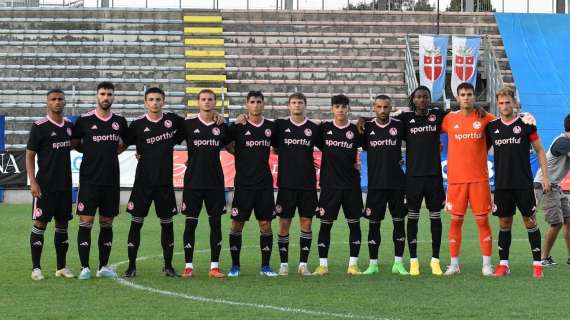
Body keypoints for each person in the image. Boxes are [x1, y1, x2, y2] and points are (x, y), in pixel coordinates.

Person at [486, 86, 548, 278]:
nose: (504, 106)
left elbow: (539, 150)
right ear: (498, 104)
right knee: (504, 222)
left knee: (530, 221)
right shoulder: (492, 128)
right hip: (502, 184)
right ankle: (504, 265)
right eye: (501, 103)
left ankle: (537, 264)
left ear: (514, 103)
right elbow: (481, 154)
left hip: (523, 183)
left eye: (508, 102)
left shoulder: (526, 124)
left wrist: (545, 176)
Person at [123, 87, 185, 278]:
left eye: (158, 99)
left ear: (163, 101)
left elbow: (193, 125)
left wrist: (215, 114)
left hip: (164, 184)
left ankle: (168, 266)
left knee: (167, 224)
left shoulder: (173, 120)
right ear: (145, 102)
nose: (155, 102)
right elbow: (121, 144)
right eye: (151, 99)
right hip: (142, 183)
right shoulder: (137, 125)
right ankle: (131, 266)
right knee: (136, 224)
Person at [71, 82, 128, 280]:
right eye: (102, 94)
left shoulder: (120, 121)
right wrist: (91, 152)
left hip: (111, 180)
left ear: (113, 97)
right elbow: (76, 143)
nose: (106, 97)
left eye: (109, 94)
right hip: (89, 180)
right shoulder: (84, 120)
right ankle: (84, 267)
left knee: (107, 222)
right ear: (97, 96)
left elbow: (124, 143)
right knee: (86, 221)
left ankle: (103, 266)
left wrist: (110, 152)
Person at [441, 82, 496, 276]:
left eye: (469, 94)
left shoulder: (486, 118)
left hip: (479, 179)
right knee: (455, 221)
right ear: (457, 98)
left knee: (482, 221)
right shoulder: (448, 119)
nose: (466, 97)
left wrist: (526, 118)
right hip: (456, 180)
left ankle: (487, 264)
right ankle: (454, 264)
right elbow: (426, 126)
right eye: (462, 94)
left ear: (474, 97)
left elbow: (505, 125)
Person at [225, 91, 278, 277]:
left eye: (259, 102)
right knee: (236, 224)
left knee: (265, 224)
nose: (256, 105)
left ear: (263, 105)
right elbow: (225, 142)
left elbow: (279, 147)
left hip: (264, 184)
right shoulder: (239, 126)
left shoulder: (271, 127)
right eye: (252, 102)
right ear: (247, 105)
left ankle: (265, 266)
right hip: (243, 184)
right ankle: (235, 266)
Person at [180, 89, 229, 278]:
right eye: (203, 99)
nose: (207, 102)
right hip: (193, 182)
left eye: (210, 99)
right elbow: (167, 138)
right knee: (190, 224)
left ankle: (214, 267)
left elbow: (235, 144)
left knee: (215, 224)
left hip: (215, 182)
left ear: (215, 102)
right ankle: (188, 266)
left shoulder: (222, 126)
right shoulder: (188, 124)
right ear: (197, 102)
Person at [312, 94, 364, 276]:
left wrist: (364, 119)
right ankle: (323, 265)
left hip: (351, 186)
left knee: (354, 225)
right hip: (330, 186)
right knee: (325, 225)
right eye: (337, 107)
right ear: (332, 109)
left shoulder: (356, 130)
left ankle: (353, 265)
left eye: (343, 107)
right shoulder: (324, 129)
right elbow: (305, 139)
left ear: (348, 108)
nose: (340, 110)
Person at [26, 89, 75, 280]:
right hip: (44, 186)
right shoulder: (39, 127)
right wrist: (33, 182)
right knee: (40, 224)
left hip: (64, 186)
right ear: (47, 102)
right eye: (53, 99)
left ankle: (61, 267)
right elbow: (30, 156)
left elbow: (81, 145)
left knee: (62, 225)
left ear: (64, 102)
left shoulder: (70, 127)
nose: (57, 102)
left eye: (60, 99)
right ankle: (36, 268)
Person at [273, 92, 322, 276]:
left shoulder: (313, 128)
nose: (297, 105)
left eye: (300, 102)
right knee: (284, 223)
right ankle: (284, 264)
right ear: (289, 106)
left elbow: (328, 147)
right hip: (286, 183)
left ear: (305, 105)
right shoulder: (280, 125)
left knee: (306, 223)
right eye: (293, 102)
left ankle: (303, 264)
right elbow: (274, 147)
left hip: (308, 183)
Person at [399, 86, 446, 276]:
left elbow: (460, 113)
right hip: (413, 178)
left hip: (434, 177)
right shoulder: (405, 119)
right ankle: (414, 261)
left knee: (435, 218)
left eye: (425, 97)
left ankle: (435, 260)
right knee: (413, 219)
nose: (422, 100)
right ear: (413, 99)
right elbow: (382, 122)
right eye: (419, 97)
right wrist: (363, 120)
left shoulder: (437, 115)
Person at [361, 95, 408, 276]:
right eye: (379, 107)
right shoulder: (367, 128)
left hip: (397, 185)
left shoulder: (398, 125)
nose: (382, 110)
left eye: (386, 107)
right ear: (374, 108)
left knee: (398, 224)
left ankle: (398, 263)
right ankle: (373, 264)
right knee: (374, 225)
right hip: (375, 186)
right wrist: (362, 119)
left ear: (391, 108)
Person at [535, 114, 570, 268]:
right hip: (545, 184)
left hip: (555, 186)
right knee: (556, 222)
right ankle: (543, 258)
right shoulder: (563, 142)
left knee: (568, 221)